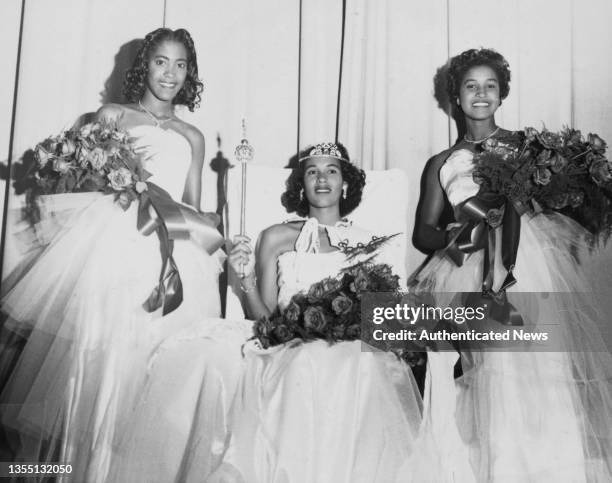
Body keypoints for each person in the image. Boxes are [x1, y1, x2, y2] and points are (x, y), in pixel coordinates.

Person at [0, 28, 249, 482]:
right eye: (160, 62)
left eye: (180, 65)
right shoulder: (112, 115)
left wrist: (221, 227)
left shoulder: (192, 135)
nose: (170, 74)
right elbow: (83, 184)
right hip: (117, 247)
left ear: (189, 73)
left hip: (175, 256)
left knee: (166, 368)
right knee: (105, 360)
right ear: (144, 67)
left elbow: (190, 203)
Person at [411, 48, 612, 481]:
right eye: (470, 86)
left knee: (540, 366)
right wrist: (453, 235)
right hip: (468, 266)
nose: (480, 94)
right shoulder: (440, 163)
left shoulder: (525, 147)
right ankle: (499, 470)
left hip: (526, 264)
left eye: (489, 86)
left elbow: (551, 202)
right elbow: (423, 232)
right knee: (493, 371)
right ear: (455, 97)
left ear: (502, 94)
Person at [208, 142, 423, 483]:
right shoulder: (276, 236)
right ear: (302, 185)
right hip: (290, 348)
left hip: (351, 351)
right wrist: (245, 279)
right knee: (307, 363)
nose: (322, 179)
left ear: (345, 183)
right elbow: (262, 317)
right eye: (312, 172)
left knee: (358, 362)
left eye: (331, 171)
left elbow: (384, 315)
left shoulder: (368, 241)